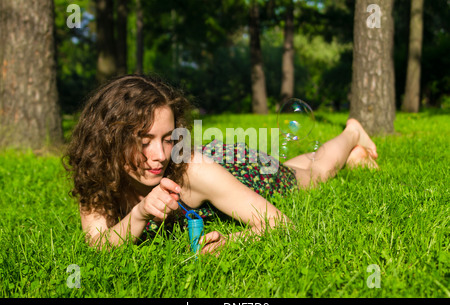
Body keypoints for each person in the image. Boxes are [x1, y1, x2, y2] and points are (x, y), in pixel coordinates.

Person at [64, 74, 378, 254]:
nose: (160, 155)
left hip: (240, 168)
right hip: (218, 167)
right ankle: (352, 152)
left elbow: (280, 225)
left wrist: (230, 241)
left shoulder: (191, 170)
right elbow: (98, 246)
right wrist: (139, 214)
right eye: (144, 141)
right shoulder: (97, 173)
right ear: (108, 139)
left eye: (169, 138)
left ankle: (351, 133)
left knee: (312, 174)